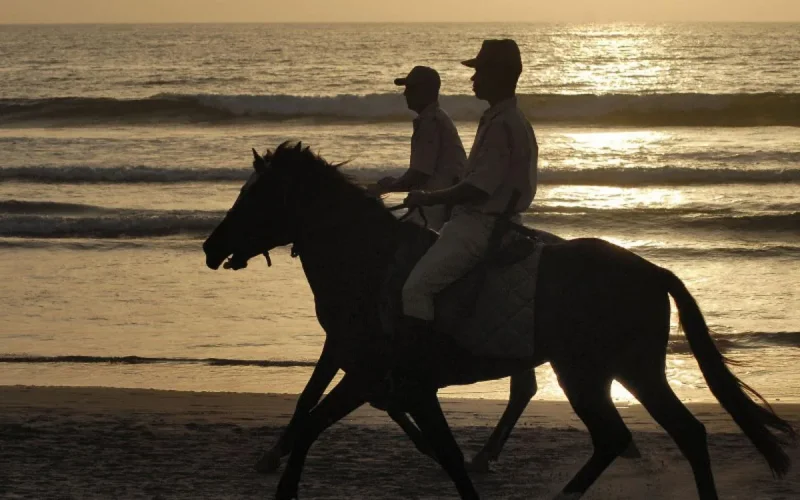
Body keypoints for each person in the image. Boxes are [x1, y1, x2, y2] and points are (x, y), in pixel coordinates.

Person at [389, 39, 539, 404]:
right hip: (481, 218)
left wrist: (430, 198)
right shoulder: (507, 119)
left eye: (479, 72)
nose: (473, 80)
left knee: (415, 289)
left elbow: (478, 188)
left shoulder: (503, 124)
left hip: (479, 225)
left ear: (498, 77)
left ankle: (420, 372)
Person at [369, 66, 466, 231]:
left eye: (411, 89)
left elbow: (419, 174)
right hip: (440, 202)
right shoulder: (438, 118)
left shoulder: (430, 123)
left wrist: (387, 187)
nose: (405, 94)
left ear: (425, 91)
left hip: (436, 207)